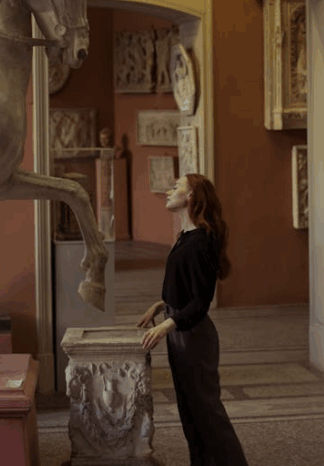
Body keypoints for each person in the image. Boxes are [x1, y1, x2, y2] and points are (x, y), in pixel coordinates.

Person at [138, 174, 248, 466]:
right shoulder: (186, 236)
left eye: (176, 187)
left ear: (191, 197)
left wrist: (166, 324)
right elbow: (185, 289)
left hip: (194, 335)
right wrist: (161, 305)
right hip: (180, 329)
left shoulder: (200, 241)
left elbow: (201, 302)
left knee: (207, 411)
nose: (169, 190)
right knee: (190, 411)